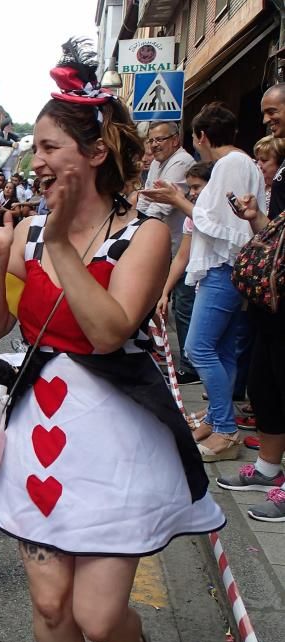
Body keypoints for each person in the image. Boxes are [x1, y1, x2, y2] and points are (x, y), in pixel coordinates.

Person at [0, 39, 224, 642]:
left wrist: (55, 247)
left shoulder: (146, 233)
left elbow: (109, 331)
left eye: (50, 146)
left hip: (113, 438)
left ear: (95, 152)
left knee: (98, 615)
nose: (37, 160)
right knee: (51, 606)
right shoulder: (25, 233)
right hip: (37, 434)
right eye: (36, 149)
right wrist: (0, 254)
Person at [143, 103, 265, 461]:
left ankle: (225, 429)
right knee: (222, 351)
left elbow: (218, 223)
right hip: (225, 268)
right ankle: (217, 419)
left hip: (223, 268)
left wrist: (176, 199)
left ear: (201, 137)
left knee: (198, 349)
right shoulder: (242, 163)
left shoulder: (231, 164)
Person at [217, 84, 285, 520]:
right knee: (265, 385)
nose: (266, 119)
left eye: (273, 110)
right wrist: (255, 219)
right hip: (272, 302)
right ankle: (267, 468)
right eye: (264, 112)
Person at [136, 121, 197, 384]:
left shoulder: (181, 162)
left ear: (176, 139)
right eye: (151, 140)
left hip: (179, 245)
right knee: (154, 300)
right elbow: (146, 197)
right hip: (163, 245)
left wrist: (137, 231)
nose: (155, 144)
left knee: (182, 305)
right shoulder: (160, 163)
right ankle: (161, 351)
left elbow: (161, 205)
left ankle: (188, 364)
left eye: (160, 139)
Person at [151, 162, 212, 387]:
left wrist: (178, 200)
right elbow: (182, 257)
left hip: (218, 284)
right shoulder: (190, 218)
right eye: (190, 189)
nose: (193, 193)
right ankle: (216, 413)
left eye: (197, 187)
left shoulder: (213, 213)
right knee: (201, 346)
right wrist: (164, 292)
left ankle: (219, 415)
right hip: (198, 283)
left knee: (202, 348)